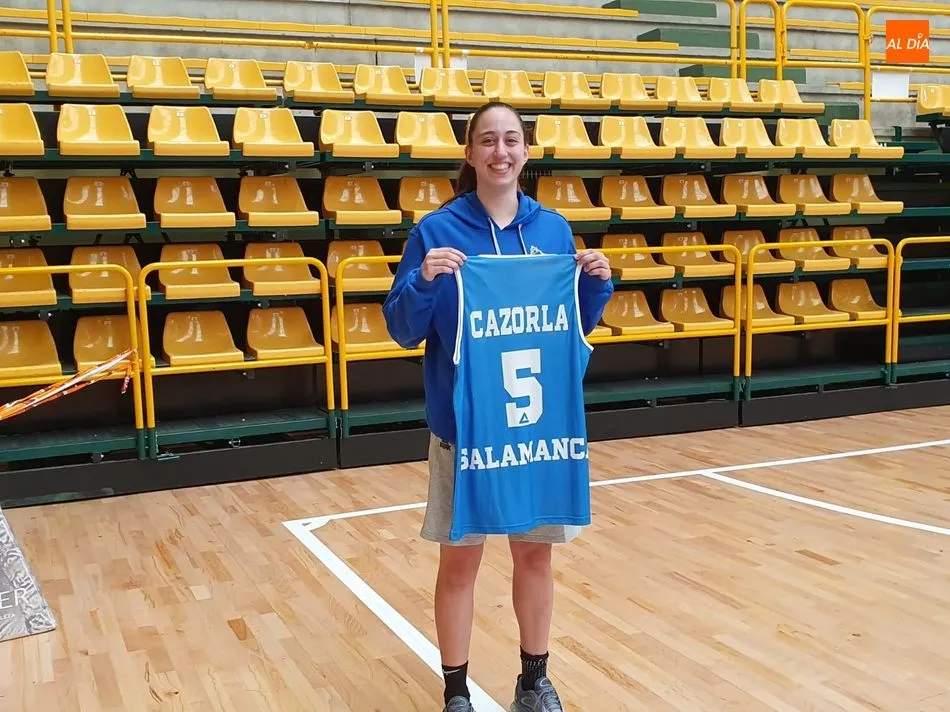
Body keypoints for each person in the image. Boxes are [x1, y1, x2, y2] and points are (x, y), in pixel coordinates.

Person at [382, 101, 613, 712]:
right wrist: (423, 280)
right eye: (488, 140)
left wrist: (595, 284)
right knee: (460, 565)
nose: (500, 151)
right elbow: (402, 329)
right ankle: (456, 691)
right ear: (470, 153)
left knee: (535, 556)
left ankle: (534, 681)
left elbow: (570, 328)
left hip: (534, 430)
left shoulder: (553, 231)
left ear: (526, 151)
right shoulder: (436, 231)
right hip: (464, 431)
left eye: (511, 139)